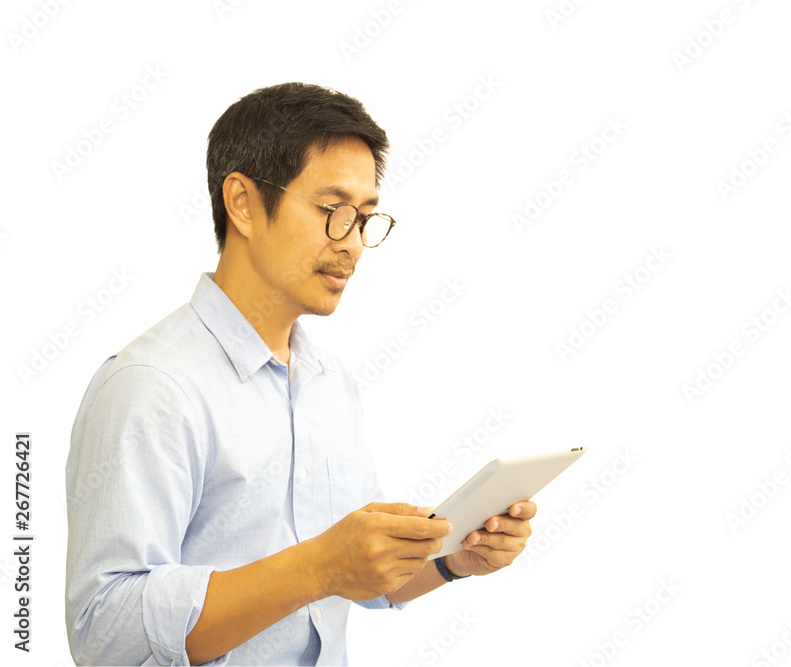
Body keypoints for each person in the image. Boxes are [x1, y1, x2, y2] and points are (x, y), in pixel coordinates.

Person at [65, 82, 536, 666]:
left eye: (365, 219)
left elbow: (357, 580)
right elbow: (104, 633)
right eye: (333, 211)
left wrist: (452, 559)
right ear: (241, 202)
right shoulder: (151, 385)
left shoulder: (327, 380)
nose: (354, 246)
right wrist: (319, 565)